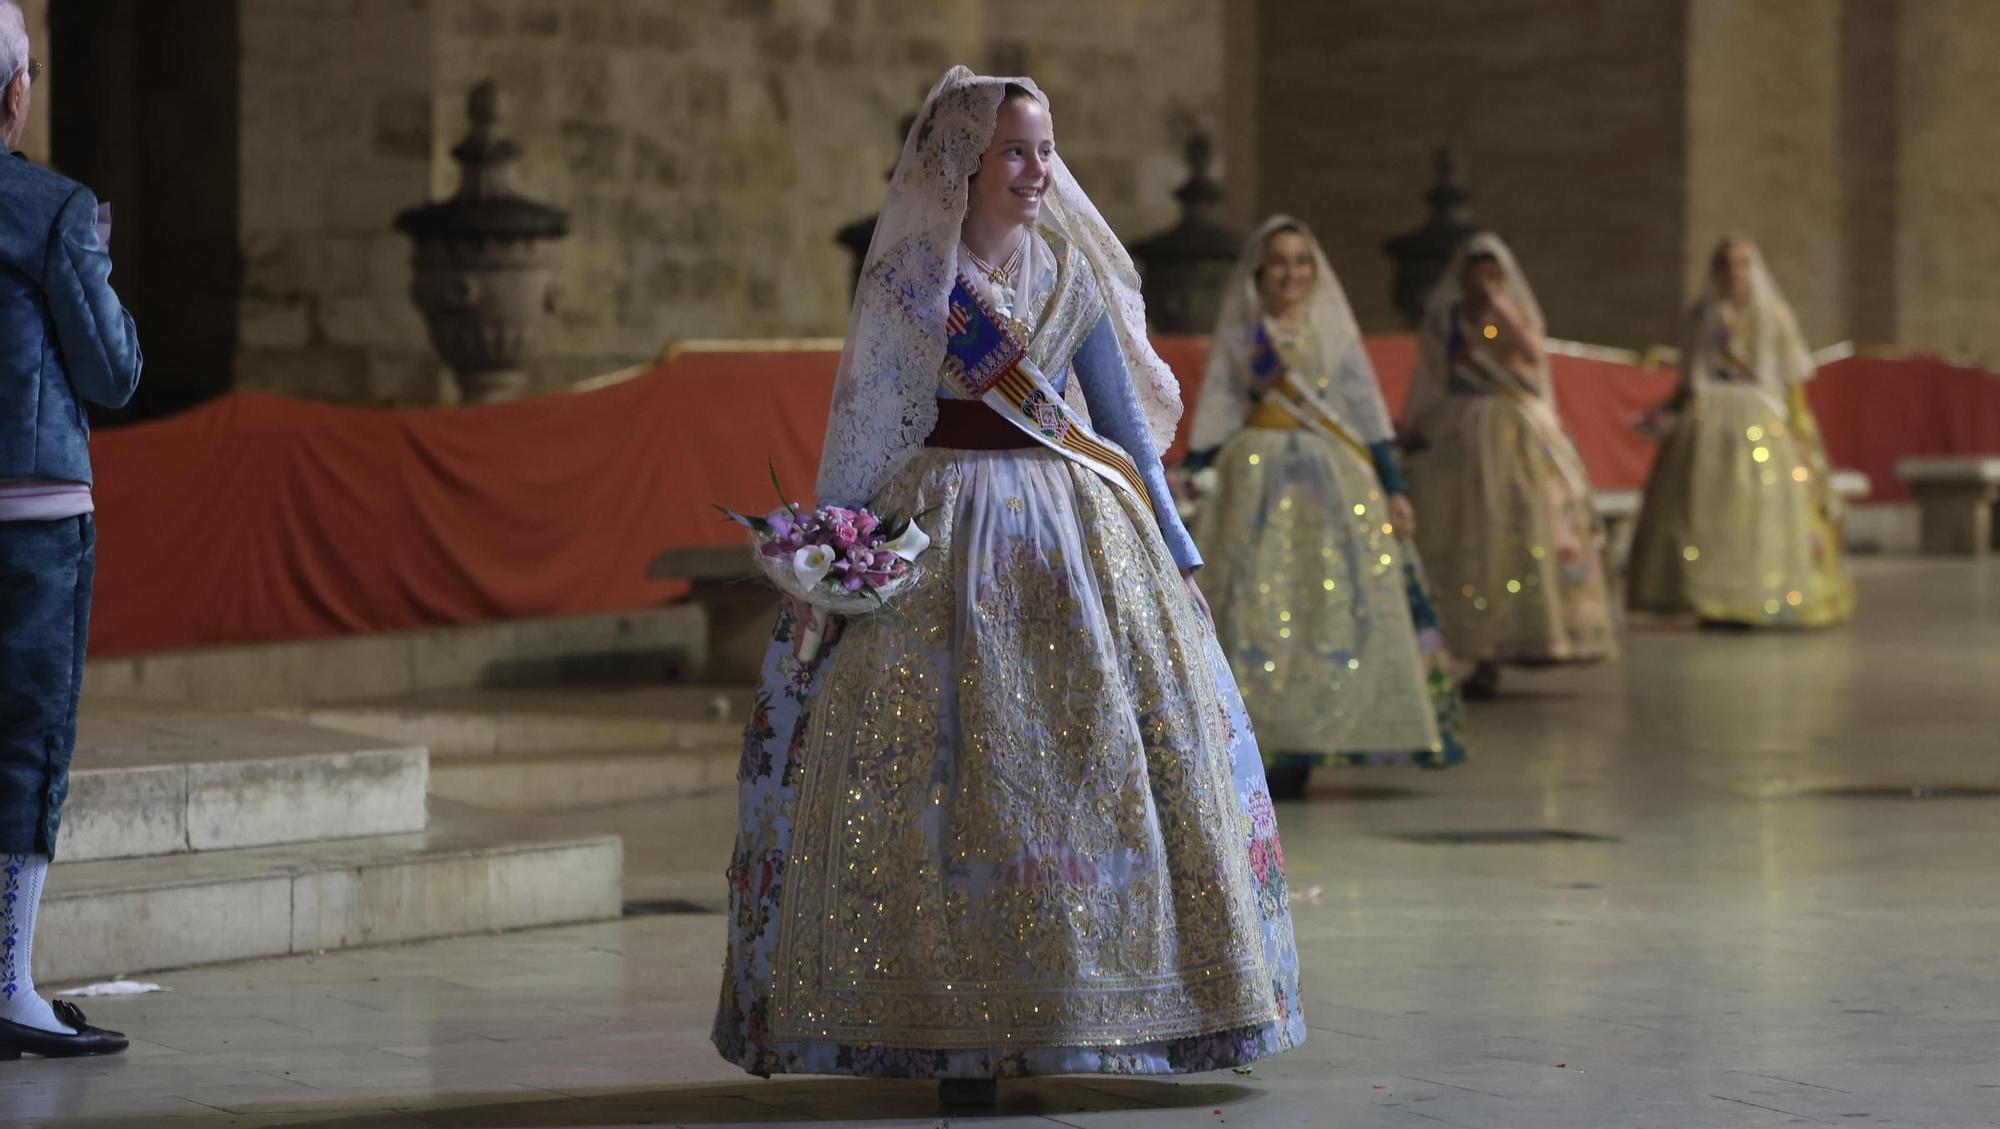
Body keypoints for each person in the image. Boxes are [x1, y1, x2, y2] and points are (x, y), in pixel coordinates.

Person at [711, 68, 1302, 1105]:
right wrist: (834, 551)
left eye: (1045, 151)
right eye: (1017, 153)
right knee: (953, 778)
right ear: (967, 164)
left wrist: (1179, 553)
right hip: (942, 528)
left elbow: (1122, 435)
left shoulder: (1072, 275)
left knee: (1092, 767)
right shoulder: (912, 280)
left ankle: (1103, 1010)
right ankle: (946, 1026)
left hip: (1078, 535)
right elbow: (868, 422)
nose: (1037, 172)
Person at [1185, 216, 1464, 800]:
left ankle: (1317, 735)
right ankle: (1261, 739)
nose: (1291, 273)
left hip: (1331, 481)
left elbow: (1365, 414)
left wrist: (1394, 486)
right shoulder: (1243, 336)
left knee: (1327, 602)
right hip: (1252, 474)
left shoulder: (1332, 332)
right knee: (1251, 606)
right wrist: (1194, 470)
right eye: (1280, 261)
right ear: (1262, 271)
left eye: (1301, 261)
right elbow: (1218, 406)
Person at [0, 0, 141, 1059]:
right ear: (15, 93)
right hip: (33, 512)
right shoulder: (55, 207)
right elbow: (113, 371)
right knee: (24, 741)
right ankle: (6, 983)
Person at [1399, 233, 1617, 697]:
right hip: (1459, 433)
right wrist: (1417, 425)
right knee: (1464, 537)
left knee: (1518, 533)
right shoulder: (1447, 321)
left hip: (1515, 432)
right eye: (1474, 272)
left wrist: (1501, 307)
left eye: (1492, 273)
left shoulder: (1511, 315)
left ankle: (1523, 637)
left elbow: (1535, 358)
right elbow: (1431, 378)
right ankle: (1471, 649)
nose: (1482, 282)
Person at [1626, 237, 1854, 627]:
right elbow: (1689, 373)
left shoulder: (1772, 315)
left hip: (1759, 418)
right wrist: (1667, 413)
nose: (1735, 272)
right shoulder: (1702, 315)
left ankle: (1761, 591)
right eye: (1728, 264)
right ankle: (1701, 594)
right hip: (1705, 420)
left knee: (1759, 507)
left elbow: (1790, 378)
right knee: (1699, 506)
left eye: (1743, 263)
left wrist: (1799, 430)